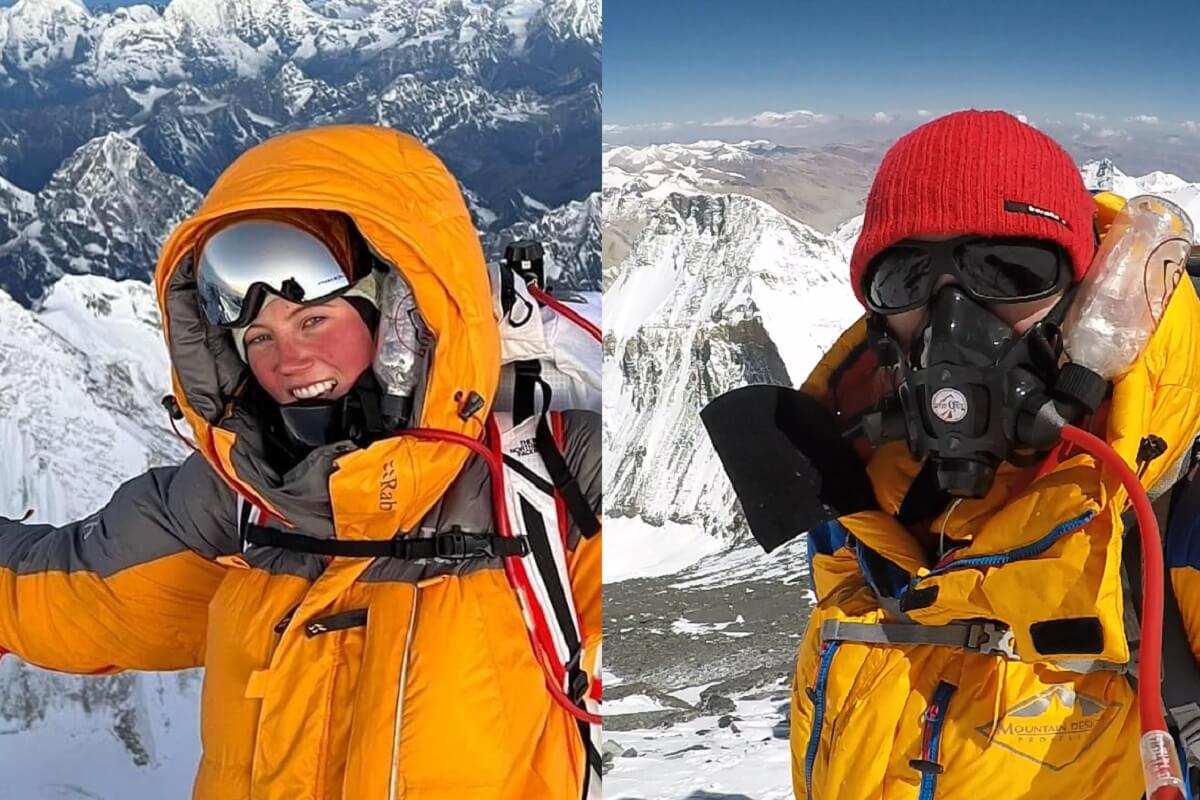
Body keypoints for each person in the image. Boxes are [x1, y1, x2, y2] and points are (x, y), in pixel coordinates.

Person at [0, 125, 602, 800]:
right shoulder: (233, 499)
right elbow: (64, 594)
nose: (286, 363)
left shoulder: (554, 479)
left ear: (398, 316)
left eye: (313, 320)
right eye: (259, 337)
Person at [787, 110, 1200, 798]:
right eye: (906, 277)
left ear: (1089, 297)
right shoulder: (858, 504)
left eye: (1011, 269)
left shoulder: (1173, 525)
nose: (953, 320)